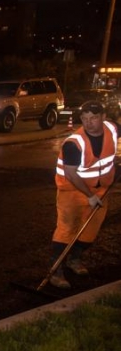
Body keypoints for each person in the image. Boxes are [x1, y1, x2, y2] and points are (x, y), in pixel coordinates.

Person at [49, 100, 118, 289]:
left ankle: (74, 259)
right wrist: (89, 195)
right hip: (72, 190)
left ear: (103, 118)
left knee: (91, 229)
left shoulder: (112, 129)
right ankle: (55, 271)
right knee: (67, 229)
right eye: (85, 118)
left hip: (100, 189)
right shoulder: (73, 144)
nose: (89, 123)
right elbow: (71, 174)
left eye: (94, 118)